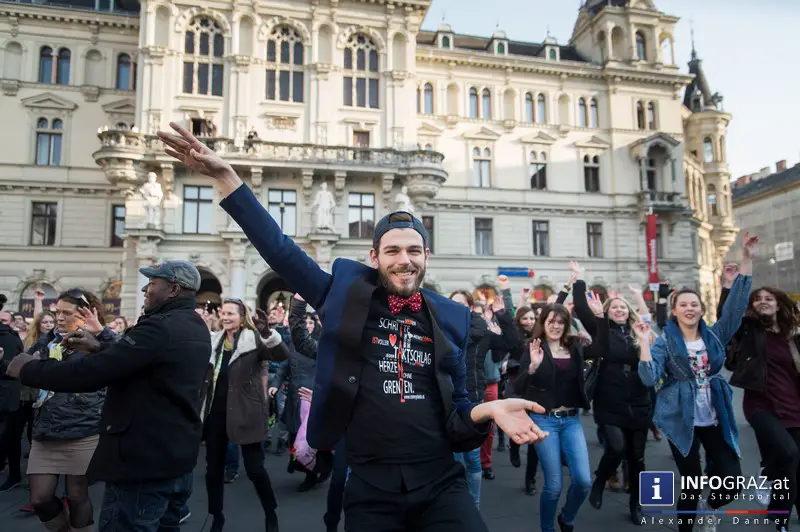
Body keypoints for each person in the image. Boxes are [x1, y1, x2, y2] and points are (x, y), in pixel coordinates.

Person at [157, 122, 547, 531]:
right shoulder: (342, 296)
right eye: (393, 250)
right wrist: (227, 178)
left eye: (414, 250)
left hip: (439, 481)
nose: (404, 259)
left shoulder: (453, 319)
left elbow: (459, 408)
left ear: (426, 256)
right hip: (370, 486)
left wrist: (489, 409)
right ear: (374, 256)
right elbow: (279, 248)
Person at [5, 260, 212, 532]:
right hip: (173, 457)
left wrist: (29, 369)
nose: (145, 290)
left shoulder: (159, 327)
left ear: (172, 289)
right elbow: (141, 369)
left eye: (152, 284)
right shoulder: (194, 326)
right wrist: (100, 347)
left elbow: (92, 374)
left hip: (143, 462)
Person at [638, 231, 757, 532]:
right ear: (675, 311)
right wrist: (642, 343)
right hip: (682, 417)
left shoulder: (714, 335)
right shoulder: (665, 342)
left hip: (716, 417)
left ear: (701, 310)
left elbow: (736, 306)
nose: (690, 308)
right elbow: (649, 377)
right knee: (691, 482)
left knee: (731, 481)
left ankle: (710, 506)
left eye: (695, 304)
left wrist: (746, 258)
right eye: (684, 305)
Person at [721, 269, 800, 531]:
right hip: (761, 406)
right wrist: (730, 286)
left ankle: (776, 501)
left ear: (778, 304)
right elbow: (728, 315)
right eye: (758, 299)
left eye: (768, 298)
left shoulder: (792, 336)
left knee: (789, 463)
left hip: (794, 407)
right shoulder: (750, 330)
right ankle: (780, 518)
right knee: (789, 454)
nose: (763, 301)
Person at [201, 298, 289, 532]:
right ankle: (216, 517)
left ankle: (271, 513)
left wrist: (267, 331)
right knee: (213, 471)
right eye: (223, 313)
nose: (225, 317)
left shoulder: (253, 340)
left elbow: (281, 354)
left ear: (242, 318)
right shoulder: (215, 342)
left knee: (255, 469)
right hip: (216, 413)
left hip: (246, 412)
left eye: (230, 313)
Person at [514, 304, 593, 532]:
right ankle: (547, 529)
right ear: (543, 323)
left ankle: (566, 518)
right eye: (551, 321)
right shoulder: (533, 346)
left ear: (566, 324)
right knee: (554, 486)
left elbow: (602, 347)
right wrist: (532, 368)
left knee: (583, 481)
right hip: (544, 420)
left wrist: (595, 315)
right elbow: (518, 387)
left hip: (571, 420)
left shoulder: (575, 346)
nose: (556, 326)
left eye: (561, 322)